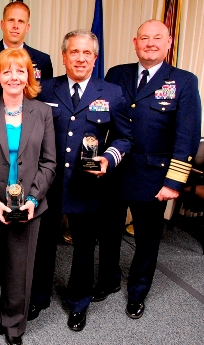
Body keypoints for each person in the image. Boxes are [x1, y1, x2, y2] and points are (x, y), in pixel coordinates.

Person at [94, 19, 201, 319]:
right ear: (135, 42)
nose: (150, 43)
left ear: (168, 43)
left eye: (157, 38)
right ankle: (108, 280)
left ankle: (138, 291)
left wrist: (174, 182)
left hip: (153, 176)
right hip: (114, 169)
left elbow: (187, 135)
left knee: (146, 237)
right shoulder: (118, 74)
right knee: (109, 231)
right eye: (144, 38)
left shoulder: (183, 81)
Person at [36, 30, 133, 331]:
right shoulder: (45, 89)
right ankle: (37, 297)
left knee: (83, 248)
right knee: (41, 244)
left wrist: (108, 159)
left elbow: (124, 137)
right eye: (74, 52)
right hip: (48, 183)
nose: (80, 58)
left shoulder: (112, 92)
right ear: (63, 57)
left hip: (87, 185)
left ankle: (79, 302)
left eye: (86, 53)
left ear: (94, 58)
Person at [0, 48, 56, 345]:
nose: (13, 77)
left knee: (19, 271)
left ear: (29, 75)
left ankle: (14, 326)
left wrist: (32, 200)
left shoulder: (42, 112)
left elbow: (49, 163)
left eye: (20, 71)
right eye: (7, 71)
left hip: (29, 208)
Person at [0, 1, 53, 105]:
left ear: (27, 27)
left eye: (21, 21)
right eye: (11, 20)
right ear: (2, 24)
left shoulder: (43, 61)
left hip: (28, 120)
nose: (16, 26)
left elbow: (45, 102)